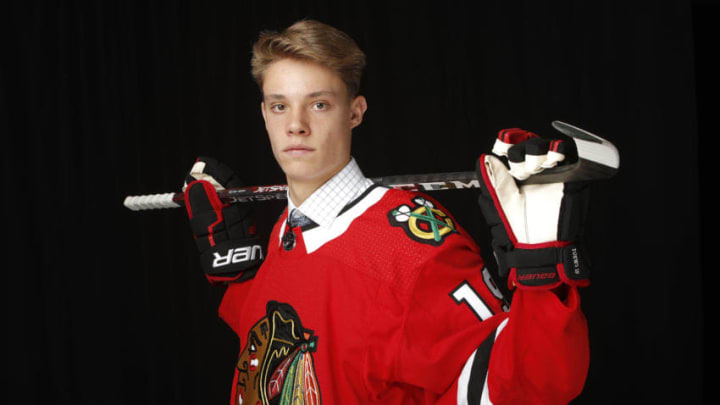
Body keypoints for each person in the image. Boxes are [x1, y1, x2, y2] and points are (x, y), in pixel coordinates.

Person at [182, 19, 590, 405]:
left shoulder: (414, 248)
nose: (296, 125)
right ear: (264, 115)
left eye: (319, 104)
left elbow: (525, 389)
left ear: (355, 112)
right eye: (279, 106)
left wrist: (541, 275)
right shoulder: (287, 230)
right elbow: (313, 345)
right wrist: (238, 282)